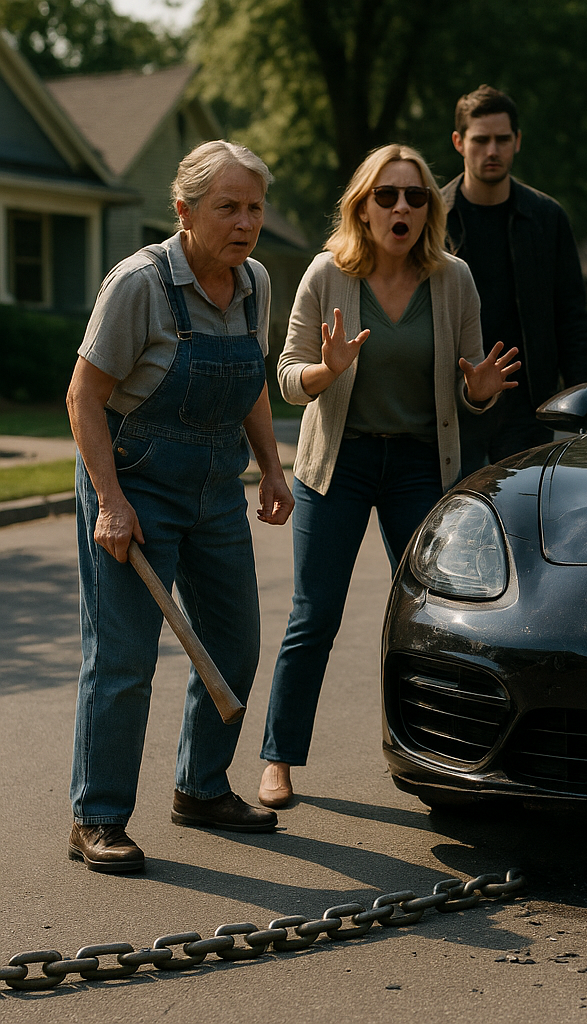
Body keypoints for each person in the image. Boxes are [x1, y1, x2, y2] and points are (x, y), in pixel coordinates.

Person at [257, 143, 519, 809]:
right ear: (363, 207)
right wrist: (327, 370)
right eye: (387, 195)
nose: (401, 206)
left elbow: (467, 387)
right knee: (315, 615)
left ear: (428, 210)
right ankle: (279, 759)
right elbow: (287, 378)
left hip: (418, 467)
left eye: (415, 196)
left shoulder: (453, 280)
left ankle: (446, 757)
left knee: (437, 618)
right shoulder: (326, 274)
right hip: (337, 464)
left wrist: (480, 391)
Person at [65, 140, 294, 873]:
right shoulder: (140, 285)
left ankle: (201, 788)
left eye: (254, 207)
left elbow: (251, 383)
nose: (245, 223)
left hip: (216, 487)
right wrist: (109, 501)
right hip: (134, 484)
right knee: (124, 659)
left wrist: (271, 467)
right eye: (228, 207)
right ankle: (98, 817)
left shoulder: (255, 282)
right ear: (184, 211)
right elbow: (83, 397)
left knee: (234, 643)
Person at [442, 84, 587, 476]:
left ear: (518, 141)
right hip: (450, 407)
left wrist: (579, 401)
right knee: (453, 512)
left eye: (502, 139)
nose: (492, 150)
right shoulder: (433, 218)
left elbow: (572, 314)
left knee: (524, 512)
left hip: (529, 408)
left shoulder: (547, 218)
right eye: (481, 140)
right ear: (459, 142)